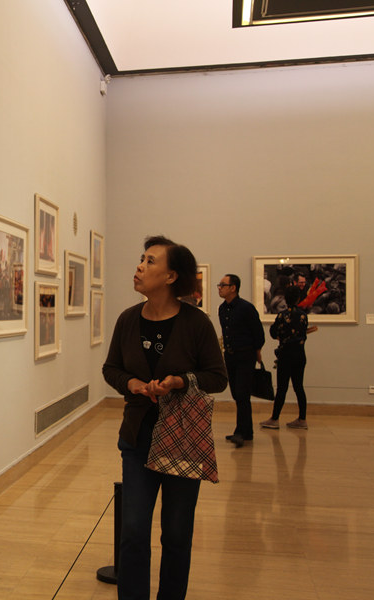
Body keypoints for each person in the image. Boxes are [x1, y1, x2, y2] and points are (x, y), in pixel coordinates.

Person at [103, 235, 227, 600]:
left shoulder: (196, 323)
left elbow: (217, 377)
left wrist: (180, 381)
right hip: (138, 438)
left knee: (176, 534)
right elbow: (111, 368)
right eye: (142, 259)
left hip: (182, 440)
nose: (140, 266)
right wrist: (135, 384)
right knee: (134, 532)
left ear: (171, 276)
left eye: (150, 261)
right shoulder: (128, 320)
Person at [218, 273, 265, 448]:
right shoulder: (222, 309)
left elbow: (258, 333)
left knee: (243, 393)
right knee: (237, 394)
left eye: (223, 285)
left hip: (245, 355)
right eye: (219, 285)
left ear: (233, 288)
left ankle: (240, 431)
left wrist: (257, 351)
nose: (220, 288)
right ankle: (247, 432)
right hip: (230, 356)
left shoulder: (246, 308)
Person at [261, 286, 317, 430]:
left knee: (282, 388)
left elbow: (273, 332)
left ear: (285, 298)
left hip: (285, 354)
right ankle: (302, 419)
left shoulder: (282, 315)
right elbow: (303, 332)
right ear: (299, 299)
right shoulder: (303, 315)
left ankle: (274, 419)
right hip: (299, 355)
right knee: (299, 387)